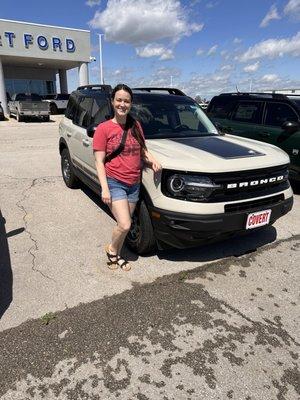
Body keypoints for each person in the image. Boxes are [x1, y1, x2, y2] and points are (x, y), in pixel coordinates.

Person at [93, 84, 161, 271]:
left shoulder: (135, 125)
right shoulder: (104, 129)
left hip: (134, 183)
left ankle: (118, 252)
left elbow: (142, 150)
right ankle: (112, 250)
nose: (122, 104)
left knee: (122, 223)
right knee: (125, 224)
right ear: (113, 102)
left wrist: (153, 161)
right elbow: (99, 161)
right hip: (115, 182)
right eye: (119, 100)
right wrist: (105, 188)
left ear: (131, 104)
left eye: (127, 101)